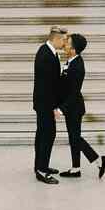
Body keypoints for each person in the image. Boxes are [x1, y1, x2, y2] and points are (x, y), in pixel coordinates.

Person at [57, 32, 105, 180]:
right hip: (71, 106)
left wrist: (61, 109)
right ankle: (76, 169)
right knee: (74, 138)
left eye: (67, 43)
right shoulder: (72, 60)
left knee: (75, 137)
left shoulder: (78, 66)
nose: (64, 44)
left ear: (73, 49)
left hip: (74, 107)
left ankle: (98, 159)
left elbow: (74, 93)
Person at [32, 25, 68, 183]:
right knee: (47, 135)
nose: (65, 43)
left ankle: (41, 165)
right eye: (64, 40)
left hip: (43, 103)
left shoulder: (48, 52)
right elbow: (47, 86)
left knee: (42, 134)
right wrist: (54, 107)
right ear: (57, 38)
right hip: (45, 103)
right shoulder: (46, 55)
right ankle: (41, 170)